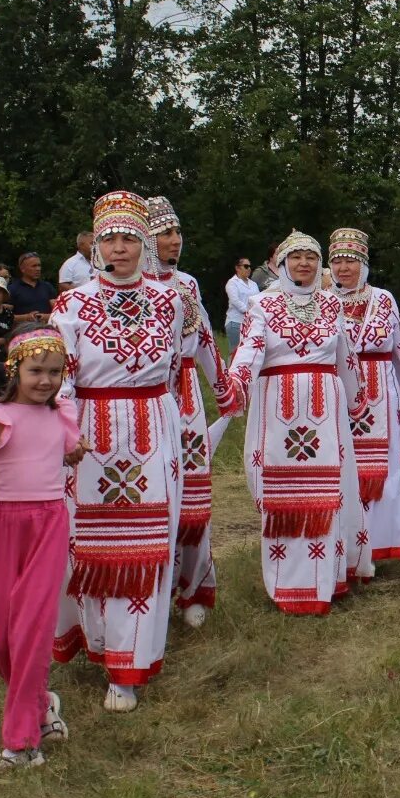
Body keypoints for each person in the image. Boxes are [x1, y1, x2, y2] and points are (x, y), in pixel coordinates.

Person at [49, 192, 188, 713]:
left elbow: (173, 369)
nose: (120, 247)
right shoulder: (72, 304)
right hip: (90, 435)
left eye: (130, 237)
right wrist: (65, 433)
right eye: (110, 237)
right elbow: (61, 379)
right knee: (92, 543)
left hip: (153, 426)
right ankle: (102, 642)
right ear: (96, 244)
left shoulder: (170, 299)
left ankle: (130, 664)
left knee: (149, 541)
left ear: (145, 243)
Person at [225, 231, 373, 611]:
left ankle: (329, 579)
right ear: (281, 263)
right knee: (283, 496)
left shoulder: (330, 304)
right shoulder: (261, 304)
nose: (304, 263)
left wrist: (358, 399)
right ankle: (288, 585)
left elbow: (345, 355)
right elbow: (250, 349)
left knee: (328, 493)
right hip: (278, 411)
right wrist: (237, 382)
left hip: (326, 409)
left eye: (311, 256)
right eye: (296, 257)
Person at [0, 325, 86, 770]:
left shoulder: (63, 412)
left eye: (55, 372)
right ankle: (40, 705)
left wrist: (76, 450)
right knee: (2, 639)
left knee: (32, 632)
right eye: (36, 370)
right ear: (15, 370)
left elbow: (74, 449)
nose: (46, 380)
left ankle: (21, 743)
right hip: (2, 526)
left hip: (48, 525)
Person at [145, 197, 238, 627]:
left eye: (177, 232)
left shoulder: (188, 284)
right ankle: (146, 594)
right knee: (150, 497)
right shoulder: (117, 287)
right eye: (165, 232)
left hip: (184, 394)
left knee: (194, 497)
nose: (174, 241)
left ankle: (193, 588)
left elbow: (203, 341)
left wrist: (224, 388)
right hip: (143, 399)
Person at [325, 227, 400, 564]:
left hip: (380, 393)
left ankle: (380, 545)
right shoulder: (323, 301)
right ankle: (345, 550)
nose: (343, 268)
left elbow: (392, 344)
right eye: (337, 261)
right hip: (338, 392)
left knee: (386, 470)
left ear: (364, 264)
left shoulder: (383, 298)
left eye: (350, 261)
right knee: (341, 467)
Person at [9, 252, 57, 323]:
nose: (38, 269)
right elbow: (5, 317)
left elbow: (58, 312)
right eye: (34, 266)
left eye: (39, 265)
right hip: (23, 331)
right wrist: (26, 317)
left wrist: (45, 317)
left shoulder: (47, 286)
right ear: (22, 269)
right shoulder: (12, 289)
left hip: (46, 330)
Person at [225, 256, 259, 353]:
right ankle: (231, 368)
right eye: (246, 266)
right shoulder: (232, 283)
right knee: (235, 352)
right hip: (236, 321)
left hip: (251, 322)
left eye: (250, 266)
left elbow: (257, 299)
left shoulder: (253, 284)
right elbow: (235, 301)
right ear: (237, 268)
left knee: (249, 351)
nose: (249, 269)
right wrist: (250, 311)